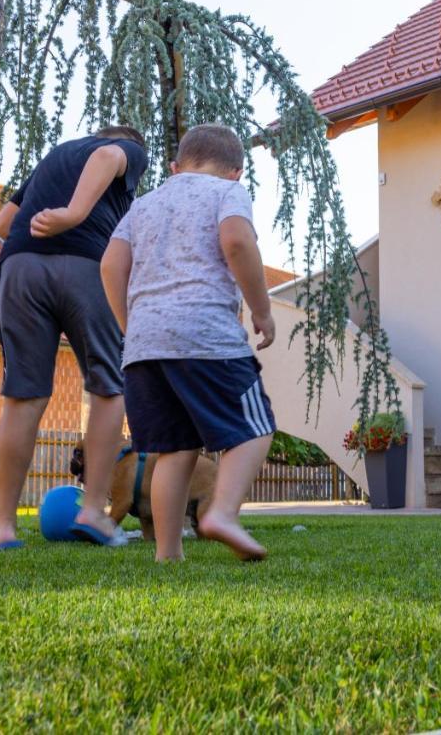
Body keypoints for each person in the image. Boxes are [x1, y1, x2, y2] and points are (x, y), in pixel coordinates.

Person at [100, 123, 275, 562]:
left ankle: (167, 553)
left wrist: (131, 325)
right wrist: (261, 310)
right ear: (236, 171)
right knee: (256, 427)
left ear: (175, 167)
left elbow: (110, 265)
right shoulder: (227, 193)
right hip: (205, 335)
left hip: (143, 347)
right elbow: (236, 241)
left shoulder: (142, 205)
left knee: (173, 448)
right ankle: (224, 514)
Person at [0, 126, 149, 550]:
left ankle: (2, 528)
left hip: (19, 266)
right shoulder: (126, 147)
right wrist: (74, 217)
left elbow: (4, 222)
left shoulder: (54, 157)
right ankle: (93, 512)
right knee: (108, 386)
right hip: (86, 266)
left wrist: (43, 231)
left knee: (24, 395)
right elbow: (109, 158)